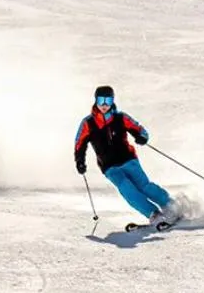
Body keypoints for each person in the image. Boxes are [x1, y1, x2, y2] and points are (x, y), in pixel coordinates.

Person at [75, 85, 178, 225]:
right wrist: (80, 161)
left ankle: (170, 205)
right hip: (109, 167)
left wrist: (142, 137)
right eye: (101, 100)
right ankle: (153, 213)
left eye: (108, 100)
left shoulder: (120, 118)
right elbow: (79, 143)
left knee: (144, 186)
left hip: (128, 159)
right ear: (95, 101)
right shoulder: (88, 123)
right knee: (126, 189)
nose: (104, 105)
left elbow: (139, 129)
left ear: (113, 101)